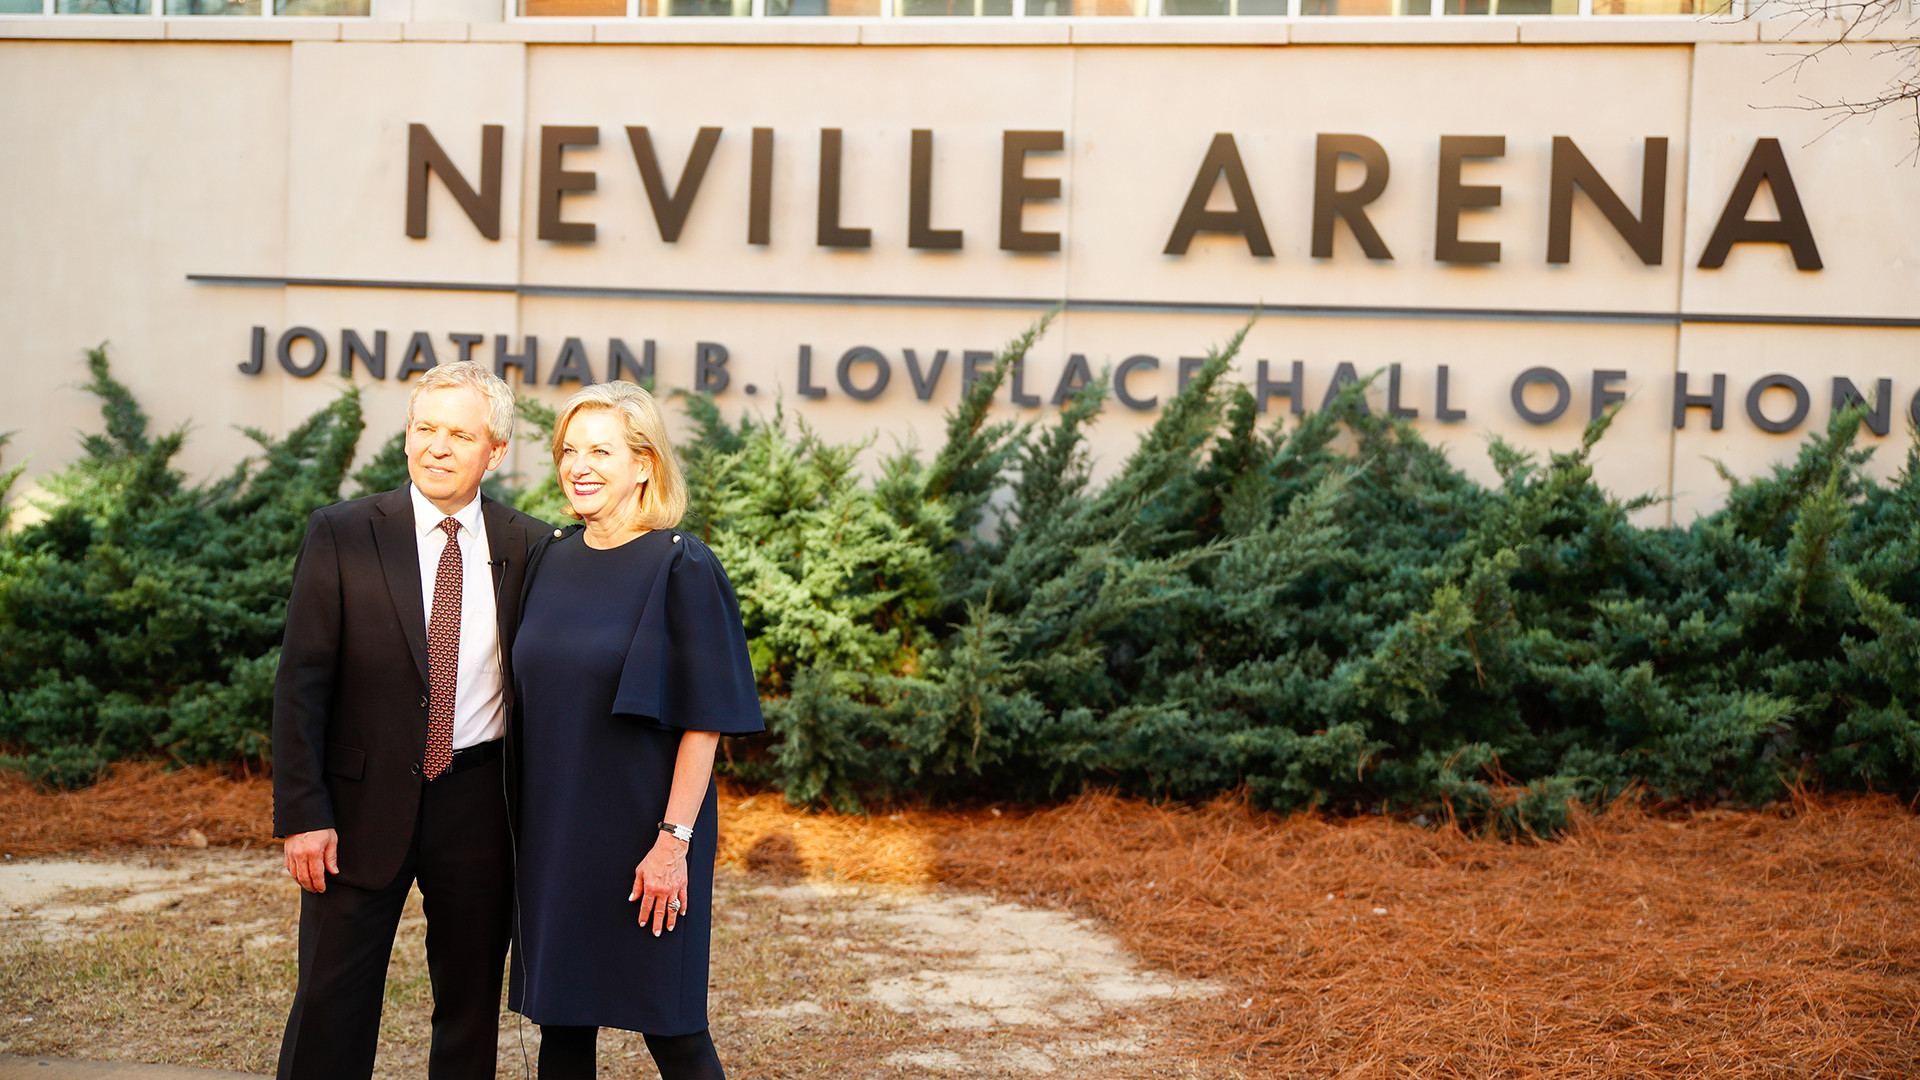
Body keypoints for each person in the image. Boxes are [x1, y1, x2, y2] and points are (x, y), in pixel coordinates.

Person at [271, 361, 548, 1080]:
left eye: (460, 433)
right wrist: (303, 811)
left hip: (480, 807)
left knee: (468, 1009)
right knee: (331, 1000)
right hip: (358, 808)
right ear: (406, 437)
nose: (438, 446)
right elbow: (301, 682)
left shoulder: (531, 546)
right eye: (425, 428)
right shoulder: (342, 532)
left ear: (495, 451)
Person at [508, 381, 764, 1080]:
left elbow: (705, 722)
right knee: (561, 1023)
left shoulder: (681, 564)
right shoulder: (549, 557)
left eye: (601, 450)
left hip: (646, 834)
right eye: (568, 450)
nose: (578, 465)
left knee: (671, 1027)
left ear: (645, 463)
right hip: (555, 834)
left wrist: (672, 843)